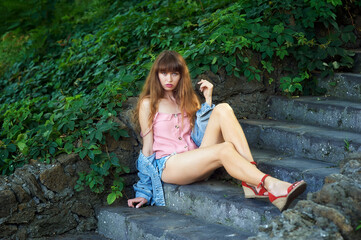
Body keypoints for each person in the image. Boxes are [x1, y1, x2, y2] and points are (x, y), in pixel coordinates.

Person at [127, 50, 306, 212]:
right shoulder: (148, 103)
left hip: (195, 159)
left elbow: (199, 138)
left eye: (174, 73)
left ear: (181, 76)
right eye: (164, 73)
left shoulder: (187, 101)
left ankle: (252, 184)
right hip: (170, 166)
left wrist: (208, 100)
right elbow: (148, 149)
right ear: (156, 75)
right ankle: (270, 184)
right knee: (225, 148)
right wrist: (144, 191)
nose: (169, 79)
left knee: (223, 108)